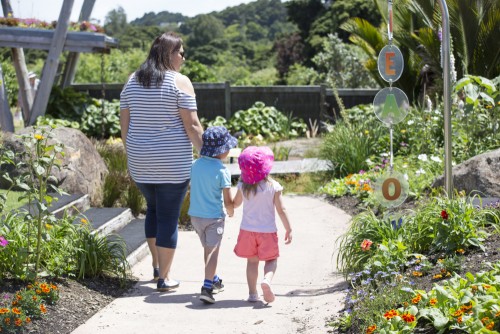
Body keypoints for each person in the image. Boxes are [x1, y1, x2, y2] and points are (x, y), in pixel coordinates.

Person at [120, 31, 203, 292]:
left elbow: (125, 127)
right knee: (167, 215)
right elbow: (192, 126)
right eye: (181, 52)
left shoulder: (131, 81)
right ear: (169, 54)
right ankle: (165, 279)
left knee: (154, 209)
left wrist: (133, 155)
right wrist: (207, 156)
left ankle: (157, 268)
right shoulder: (180, 82)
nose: (184, 58)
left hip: (140, 164)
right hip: (172, 164)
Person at [232, 146, 292, 303]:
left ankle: (252, 294)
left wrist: (229, 203)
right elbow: (281, 209)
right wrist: (288, 228)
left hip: (247, 231)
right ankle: (267, 279)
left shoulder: (243, 186)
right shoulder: (273, 186)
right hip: (267, 232)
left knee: (252, 262)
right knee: (271, 260)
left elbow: (236, 204)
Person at [188, 126, 238, 304]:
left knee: (208, 250)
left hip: (195, 217)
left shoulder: (195, 165)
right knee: (213, 252)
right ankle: (207, 288)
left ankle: (214, 279)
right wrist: (231, 211)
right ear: (222, 150)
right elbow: (228, 200)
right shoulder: (222, 171)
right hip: (213, 218)